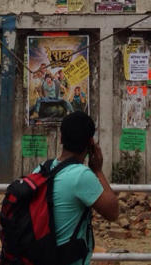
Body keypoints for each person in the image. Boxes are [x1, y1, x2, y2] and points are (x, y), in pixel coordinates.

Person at [42, 112, 118, 265]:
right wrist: (98, 170)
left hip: (40, 256)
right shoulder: (81, 176)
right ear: (90, 142)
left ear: (61, 138)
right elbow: (113, 211)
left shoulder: (42, 168)